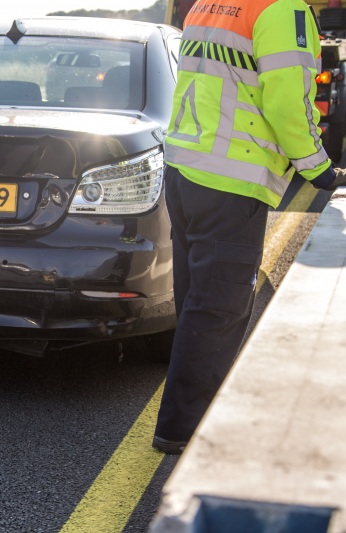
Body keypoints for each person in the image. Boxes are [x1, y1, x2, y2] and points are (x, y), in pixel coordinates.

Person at [154, 0, 346, 454]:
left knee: (197, 301)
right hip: (229, 180)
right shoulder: (284, 11)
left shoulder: (209, 4)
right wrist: (321, 171)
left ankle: (189, 419)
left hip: (184, 171)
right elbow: (287, 106)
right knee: (219, 309)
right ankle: (185, 431)